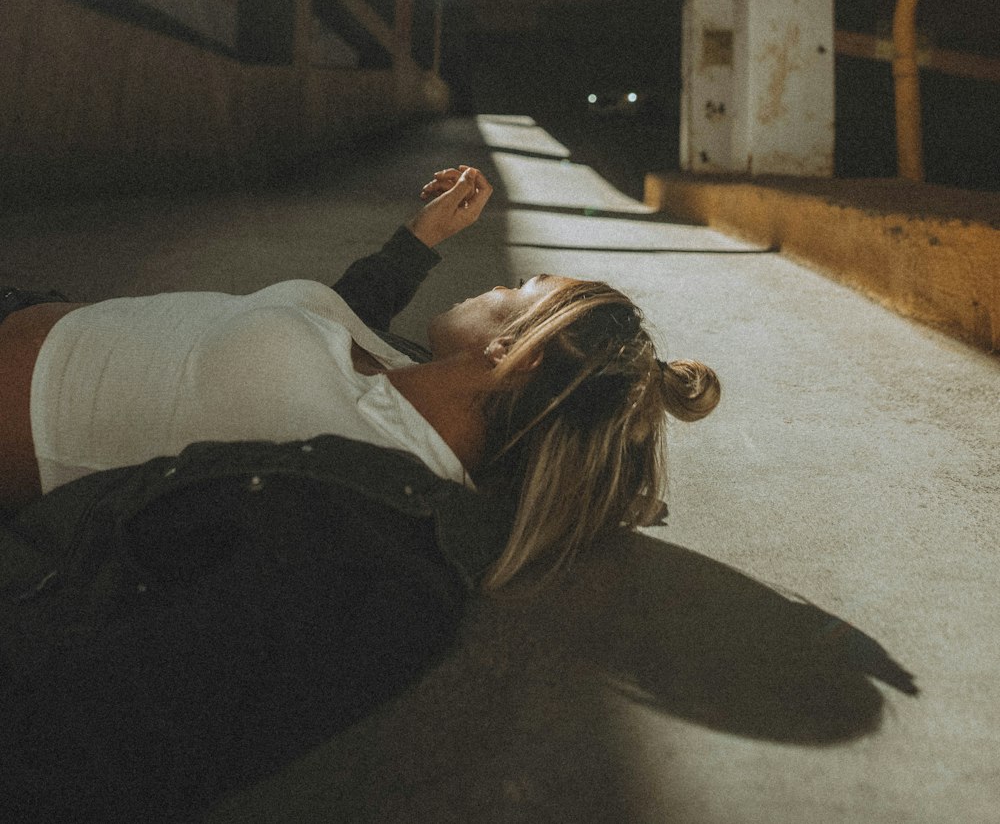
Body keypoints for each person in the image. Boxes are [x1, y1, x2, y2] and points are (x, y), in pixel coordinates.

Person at [0, 163, 720, 821]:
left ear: (515, 353)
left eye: (515, 291)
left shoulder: (369, 531)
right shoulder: (409, 385)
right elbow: (329, 336)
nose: (496, 285)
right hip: (30, 310)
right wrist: (418, 240)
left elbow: (105, 746)